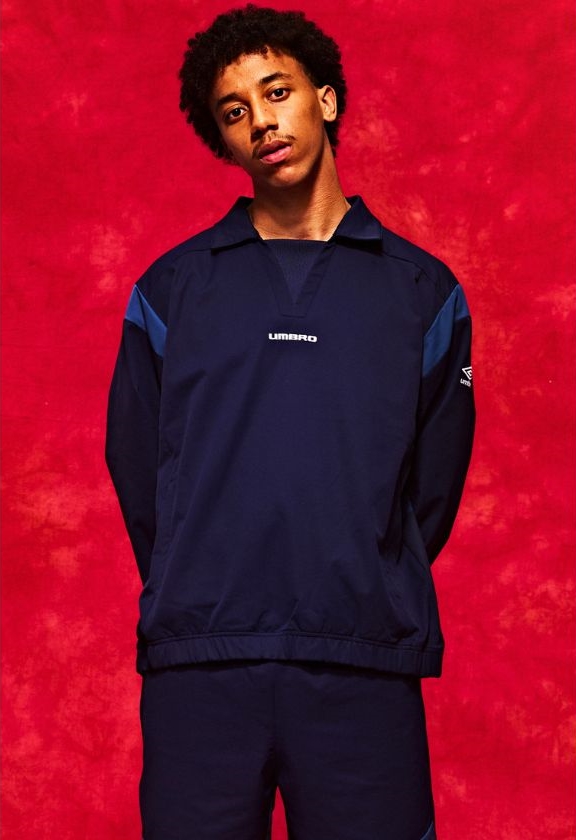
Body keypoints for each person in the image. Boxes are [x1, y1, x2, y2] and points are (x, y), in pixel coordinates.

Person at [105, 5, 475, 839]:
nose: (262, 122)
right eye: (235, 110)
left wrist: (359, 572)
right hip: (202, 663)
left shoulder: (422, 291)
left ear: (327, 100)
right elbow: (138, 468)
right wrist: (204, 581)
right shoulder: (172, 290)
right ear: (223, 140)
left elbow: (433, 485)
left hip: (362, 663)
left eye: (278, 92)